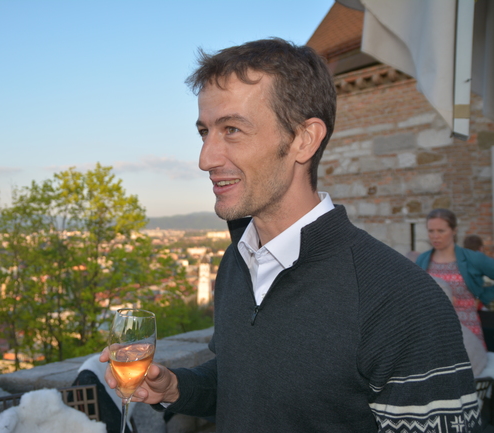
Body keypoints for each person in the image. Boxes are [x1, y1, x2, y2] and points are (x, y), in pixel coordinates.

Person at [101, 38, 481, 432]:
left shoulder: (401, 299)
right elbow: (244, 382)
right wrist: (176, 387)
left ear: (304, 139)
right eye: (204, 132)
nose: (205, 159)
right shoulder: (236, 261)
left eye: (232, 129)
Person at [416, 209, 494, 348]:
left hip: (467, 330)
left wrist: (483, 297)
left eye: (441, 231)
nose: (435, 236)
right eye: (431, 231)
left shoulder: (472, 258)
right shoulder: (423, 259)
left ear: (454, 230)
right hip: (434, 332)